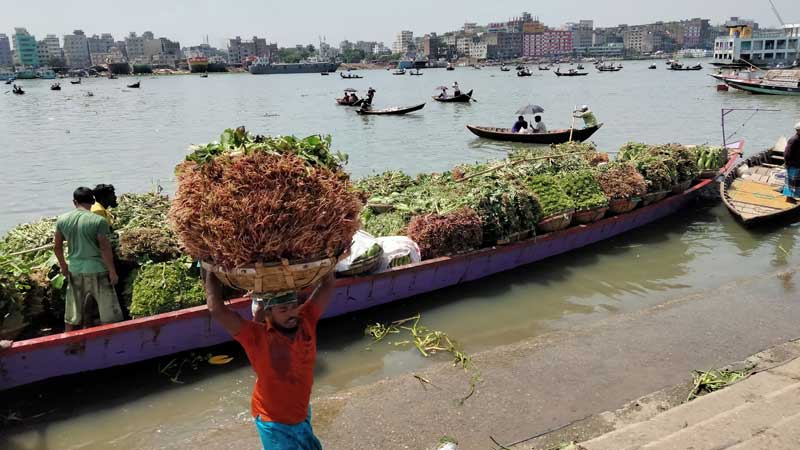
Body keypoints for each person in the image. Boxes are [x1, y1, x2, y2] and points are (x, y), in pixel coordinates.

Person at [205, 271, 336, 450]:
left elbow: (327, 285)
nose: (291, 314)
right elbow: (217, 310)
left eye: (293, 306)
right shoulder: (256, 337)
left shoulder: (306, 319)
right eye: (283, 310)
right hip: (273, 421)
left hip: (301, 411)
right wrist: (212, 273)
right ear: (269, 314)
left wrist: (329, 259)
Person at [55, 187, 122, 331]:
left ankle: (68, 342)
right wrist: (112, 271)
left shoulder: (62, 220)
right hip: (98, 270)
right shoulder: (98, 221)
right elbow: (105, 248)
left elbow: (57, 248)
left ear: (74, 202)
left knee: (72, 312)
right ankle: (109, 343)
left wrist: (64, 267)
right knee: (108, 313)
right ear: (92, 201)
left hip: (75, 270)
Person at [782, 122, 800, 204]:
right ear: (798, 130)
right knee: (791, 182)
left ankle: (793, 197)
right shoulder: (794, 140)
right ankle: (789, 198)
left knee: (795, 182)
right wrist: (787, 163)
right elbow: (787, 153)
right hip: (793, 164)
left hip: (797, 164)